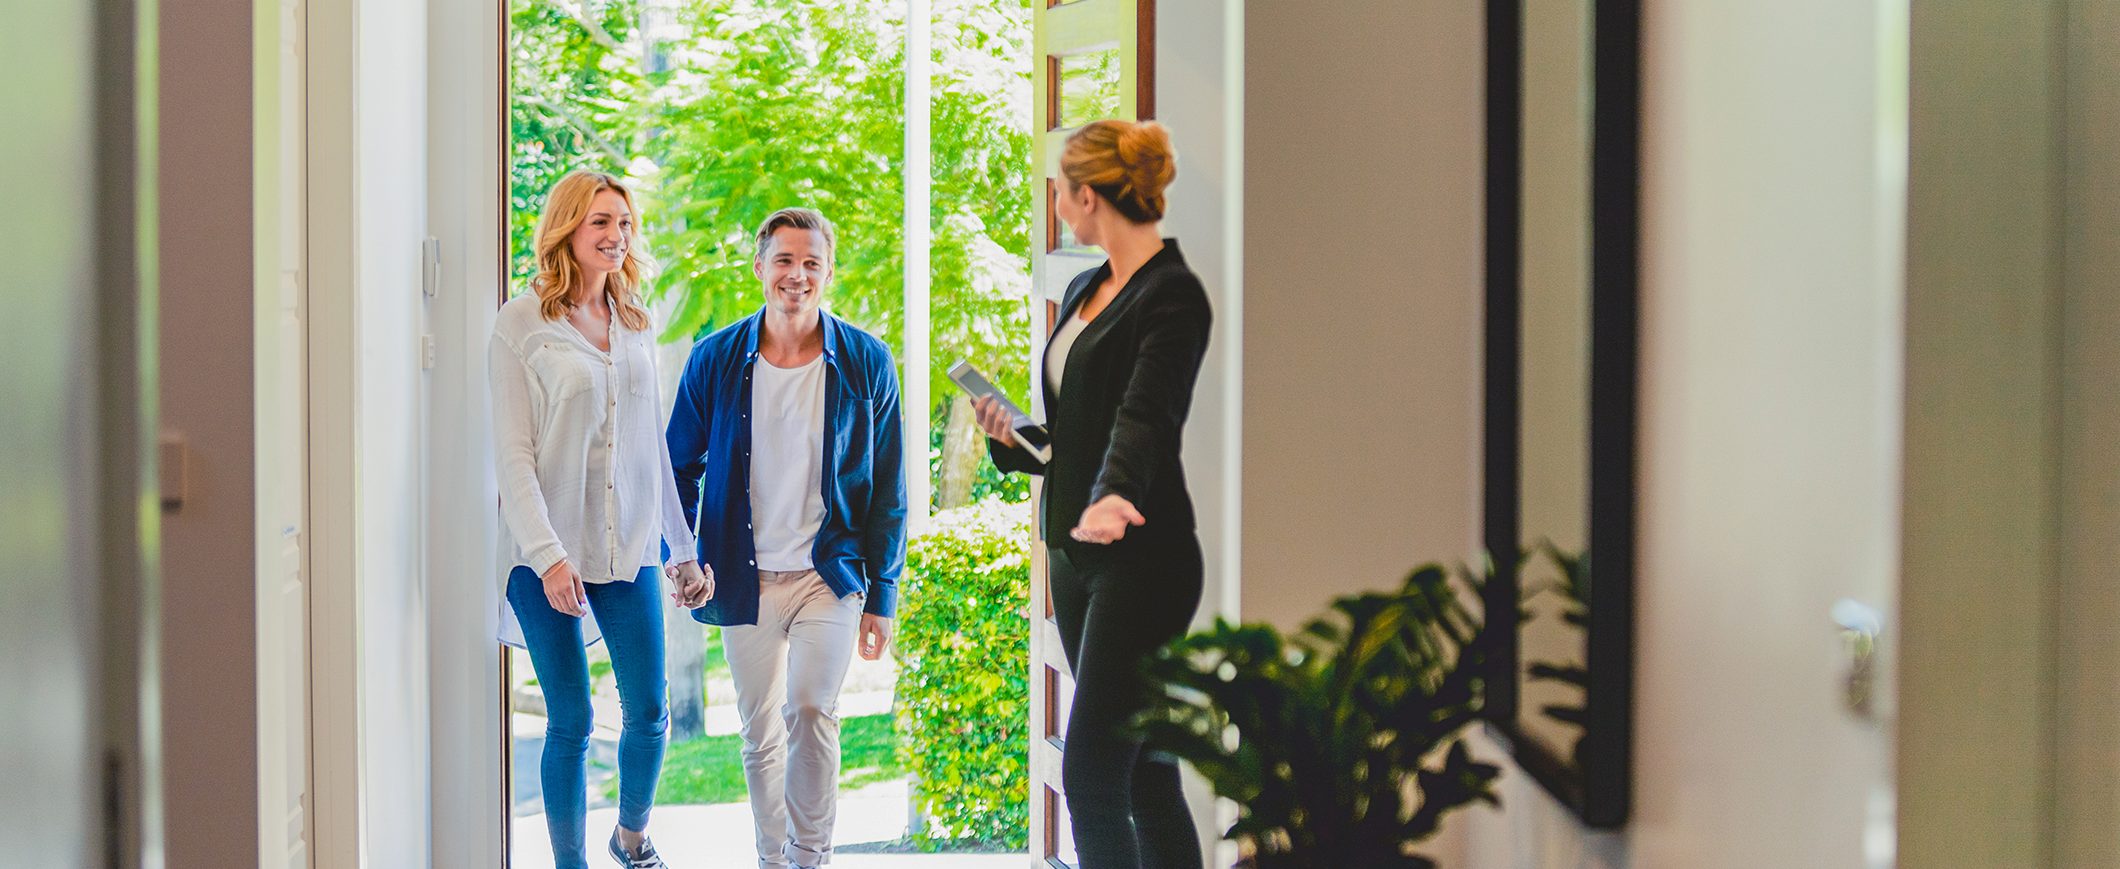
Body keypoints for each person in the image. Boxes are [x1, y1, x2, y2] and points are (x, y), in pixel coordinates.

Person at [973, 119, 1209, 869]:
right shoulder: (1085, 285)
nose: (1055, 205)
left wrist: (1113, 493)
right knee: (1146, 769)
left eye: (1058, 191)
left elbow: (1145, 415)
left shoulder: (1172, 296)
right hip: (1073, 554)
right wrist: (1013, 436)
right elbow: (1074, 430)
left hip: (1144, 558)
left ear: (1086, 195)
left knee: (1091, 774)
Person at [667, 207, 908, 869]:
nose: (796, 276)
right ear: (759, 267)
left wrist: (882, 595)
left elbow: (889, 486)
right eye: (784, 260)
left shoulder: (866, 361)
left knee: (810, 708)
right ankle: (772, 856)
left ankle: (809, 856)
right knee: (758, 731)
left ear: (828, 271)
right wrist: (681, 554)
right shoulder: (715, 359)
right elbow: (675, 466)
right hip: (740, 576)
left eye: (811, 263)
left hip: (828, 573)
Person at [490, 170, 713, 869]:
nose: (616, 236)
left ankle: (631, 836)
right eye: (600, 223)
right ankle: (570, 864)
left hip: (627, 551)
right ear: (566, 230)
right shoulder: (519, 324)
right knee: (573, 719)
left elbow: (652, 445)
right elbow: (513, 457)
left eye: (623, 222)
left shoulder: (635, 322)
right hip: (543, 554)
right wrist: (549, 556)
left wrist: (682, 548)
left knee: (649, 711)